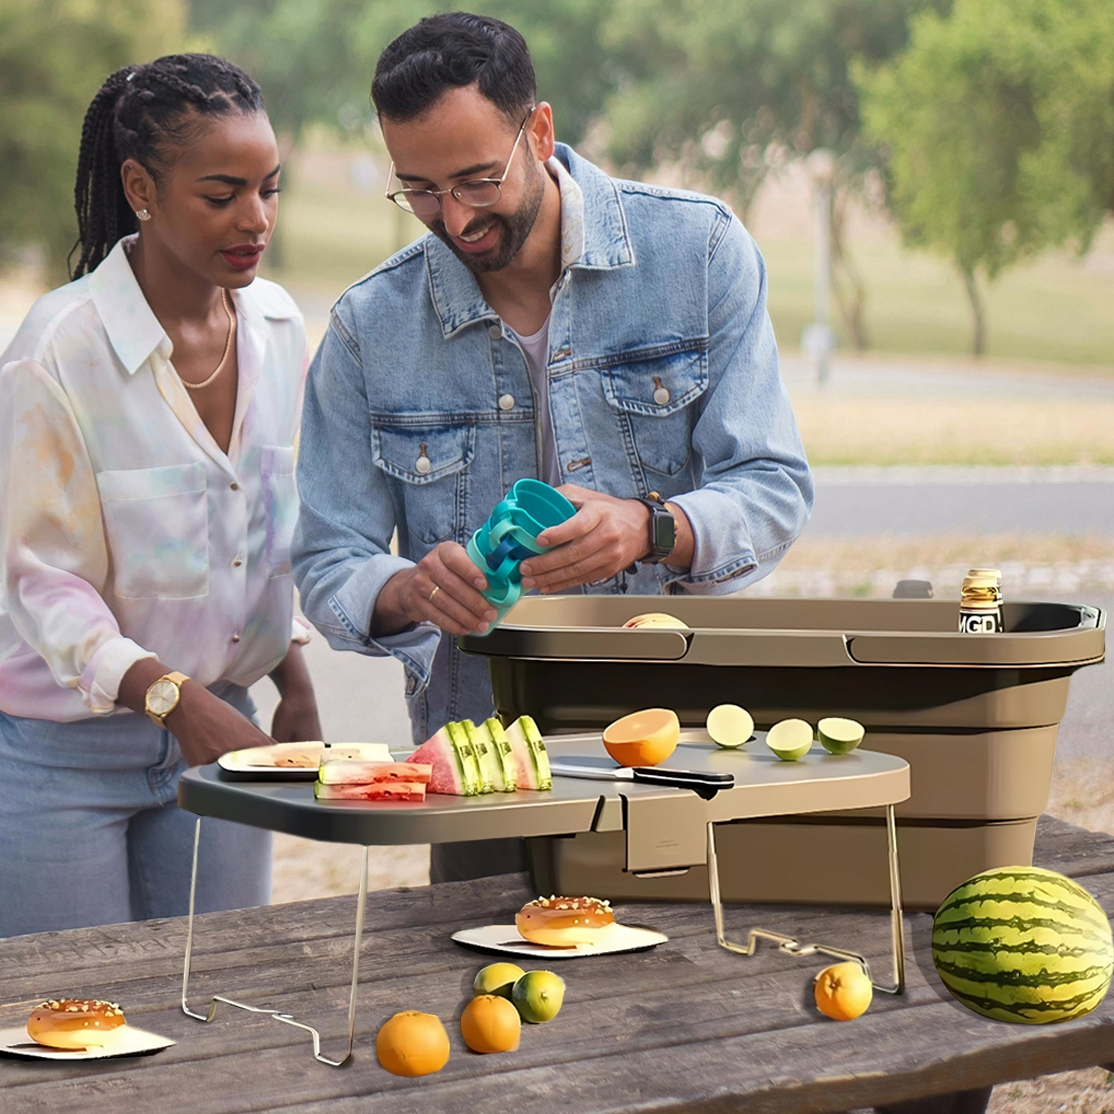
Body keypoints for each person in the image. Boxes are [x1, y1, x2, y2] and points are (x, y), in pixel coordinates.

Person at [292, 13, 812, 882]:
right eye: (418, 190)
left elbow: (772, 488)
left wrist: (651, 526)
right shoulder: (366, 328)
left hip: (674, 740)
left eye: (476, 180)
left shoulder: (700, 252)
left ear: (538, 129)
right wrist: (409, 588)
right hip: (475, 760)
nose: (453, 219)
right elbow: (326, 559)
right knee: (491, 1002)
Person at [0, 54, 321, 937]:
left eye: (270, 189)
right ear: (140, 185)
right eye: (222, 195)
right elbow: (41, 584)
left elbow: (256, 534)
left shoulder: (280, 327)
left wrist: (294, 682)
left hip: (226, 732)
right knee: (78, 1027)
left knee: (216, 1006)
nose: (255, 220)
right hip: (60, 755)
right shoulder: (56, 351)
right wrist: (174, 701)